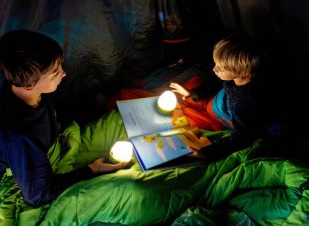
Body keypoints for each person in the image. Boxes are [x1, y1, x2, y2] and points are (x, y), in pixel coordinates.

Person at [0, 29, 129, 206]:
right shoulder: (19, 136)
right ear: (29, 85)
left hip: (56, 152)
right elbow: (38, 194)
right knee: (126, 193)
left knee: (121, 121)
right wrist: (92, 169)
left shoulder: (29, 92)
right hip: (34, 186)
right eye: (55, 72)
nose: (63, 74)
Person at [108, 35, 265, 160]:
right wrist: (194, 94)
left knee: (178, 124)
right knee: (175, 94)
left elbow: (242, 138)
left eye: (221, 68)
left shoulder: (243, 103)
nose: (214, 69)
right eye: (215, 63)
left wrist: (208, 152)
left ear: (243, 73)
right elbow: (216, 83)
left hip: (214, 119)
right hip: (210, 103)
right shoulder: (234, 79)